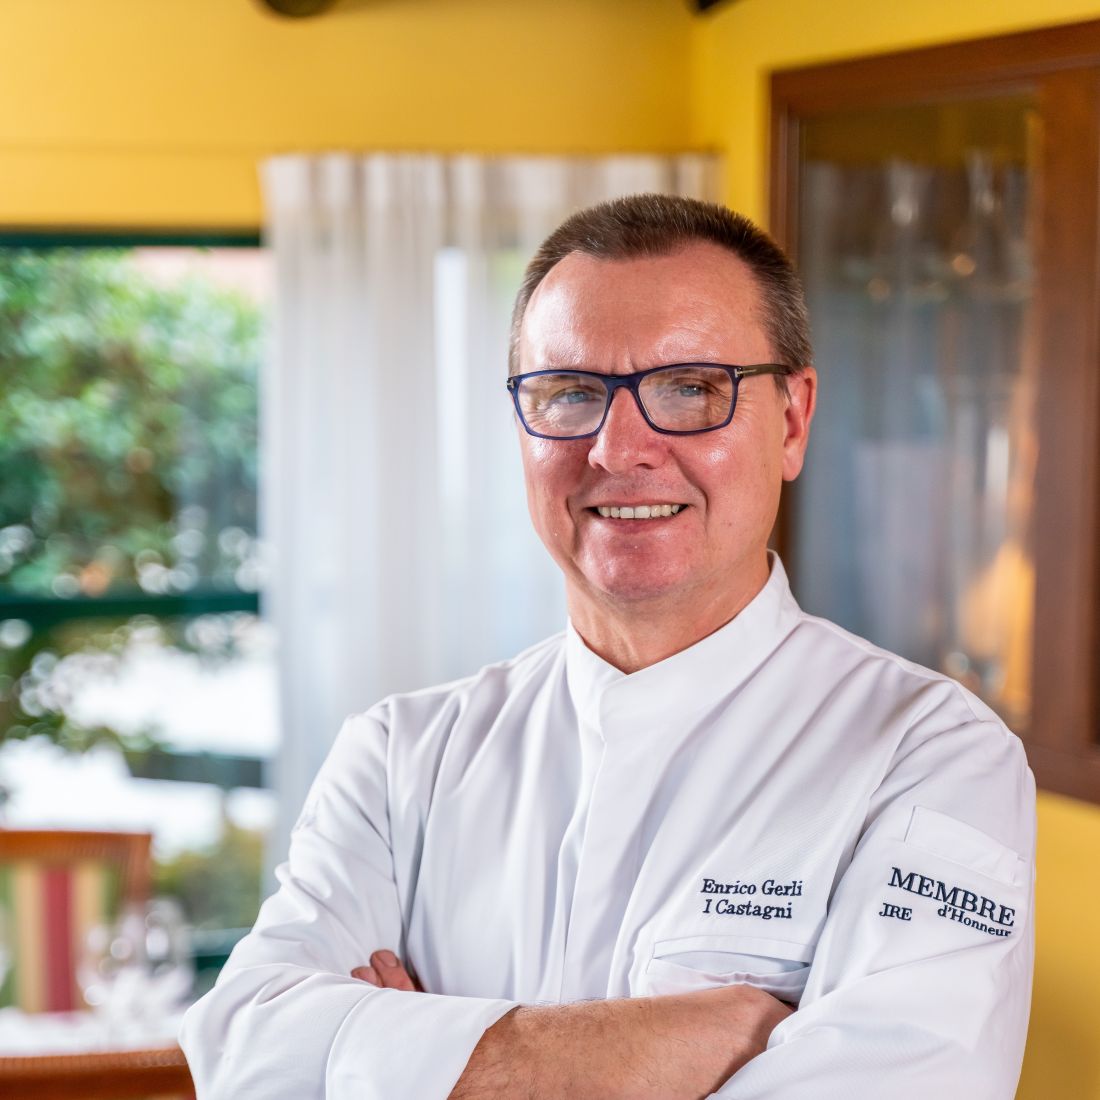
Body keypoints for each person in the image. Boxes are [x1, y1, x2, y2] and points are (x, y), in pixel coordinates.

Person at [180, 194, 1035, 1098]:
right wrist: (687, 1045)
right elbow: (244, 1054)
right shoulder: (399, 758)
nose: (619, 449)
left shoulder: (932, 757)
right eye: (569, 394)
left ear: (792, 421)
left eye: (691, 388)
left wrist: (413, 1057)